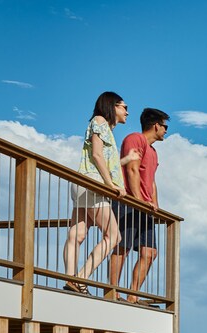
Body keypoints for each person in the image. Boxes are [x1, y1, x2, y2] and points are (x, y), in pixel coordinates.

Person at [63, 91, 139, 293]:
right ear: (112, 106)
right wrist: (111, 185)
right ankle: (80, 278)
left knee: (77, 234)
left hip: (83, 182)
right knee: (113, 236)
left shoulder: (103, 128)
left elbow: (101, 159)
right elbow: (97, 155)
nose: (127, 112)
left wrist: (125, 160)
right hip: (94, 185)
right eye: (124, 107)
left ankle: (70, 278)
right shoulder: (99, 121)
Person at [110, 108, 169, 303]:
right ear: (156, 126)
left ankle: (133, 296)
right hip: (128, 202)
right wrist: (137, 200)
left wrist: (155, 204)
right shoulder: (134, 139)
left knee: (150, 252)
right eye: (165, 126)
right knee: (122, 247)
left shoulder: (153, 151)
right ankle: (113, 292)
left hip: (145, 207)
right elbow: (131, 170)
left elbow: (151, 180)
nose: (166, 131)